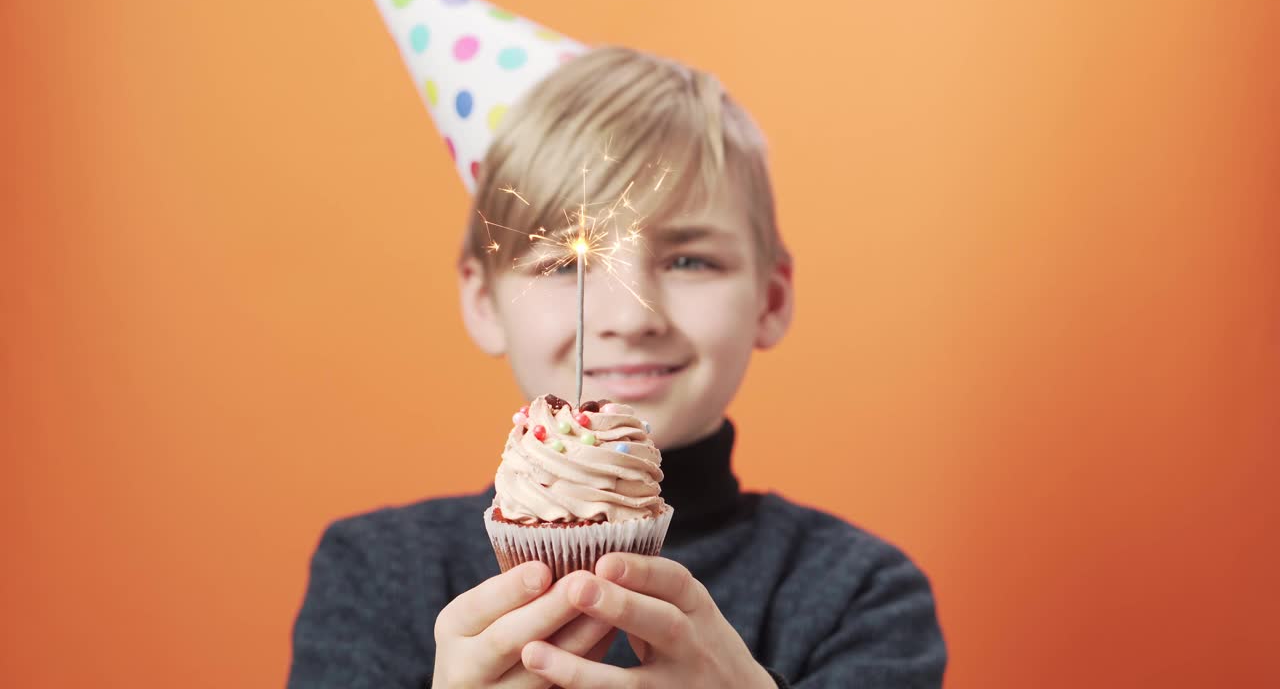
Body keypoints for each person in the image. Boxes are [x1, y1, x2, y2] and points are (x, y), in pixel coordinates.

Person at [288, 42, 947, 688]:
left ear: (770, 300)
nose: (631, 318)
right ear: (485, 301)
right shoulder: (376, 571)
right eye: (565, 264)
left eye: (689, 260)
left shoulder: (863, 594)